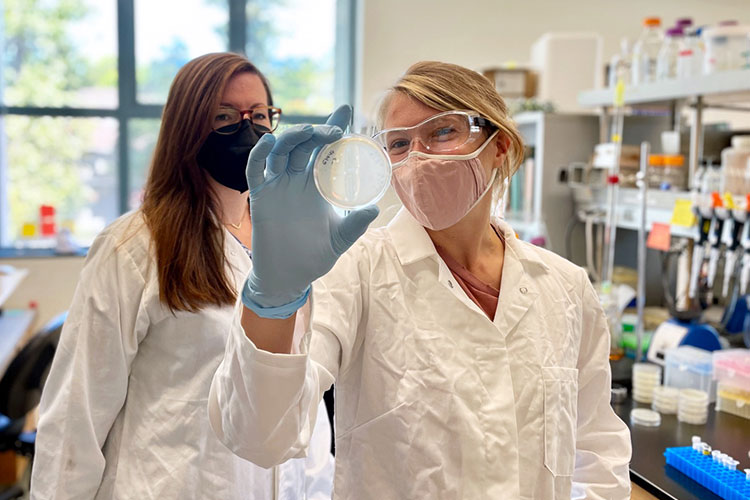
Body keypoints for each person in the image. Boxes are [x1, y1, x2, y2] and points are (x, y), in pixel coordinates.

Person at [209, 61, 632, 499]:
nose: (417, 157)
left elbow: (597, 450)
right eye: (398, 143)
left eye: (442, 132)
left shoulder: (564, 287)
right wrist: (274, 296)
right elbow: (259, 437)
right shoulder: (355, 271)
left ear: (499, 145)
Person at [30, 52, 334, 500]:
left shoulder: (287, 239)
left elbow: (301, 390)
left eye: (260, 115)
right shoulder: (135, 246)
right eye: (224, 116)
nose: (248, 129)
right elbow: (78, 410)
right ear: (187, 126)